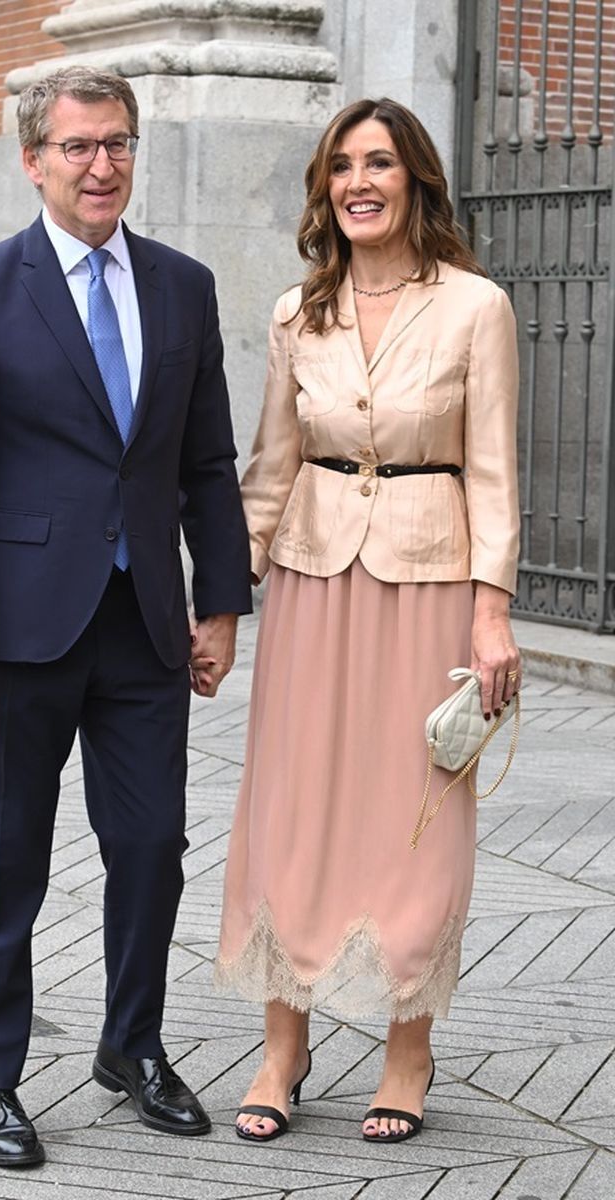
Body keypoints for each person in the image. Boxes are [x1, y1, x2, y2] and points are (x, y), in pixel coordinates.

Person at [0, 65, 251, 1167]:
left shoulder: (183, 287)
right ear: (33, 160)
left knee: (150, 846)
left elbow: (204, 463)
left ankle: (130, 1046)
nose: (102, 165)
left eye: (118, 144)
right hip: (12, 639)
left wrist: (222, 601)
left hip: (144, 625)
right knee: (6, 862)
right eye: (78, 147)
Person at [211, 97, 521, 1145]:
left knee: (416, 812)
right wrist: (221, 599)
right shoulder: (299, 314)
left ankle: (406, 1047)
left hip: (430, 583)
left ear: (414, 181)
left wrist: (492, 615)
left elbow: (491, 472)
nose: (357, 182)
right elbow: (269, 468)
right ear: (322, 188)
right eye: (340, 166)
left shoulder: (474, 306)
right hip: (309, 581)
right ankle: (281, 1044)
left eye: (377, 163)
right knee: (292, 806)